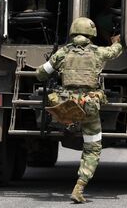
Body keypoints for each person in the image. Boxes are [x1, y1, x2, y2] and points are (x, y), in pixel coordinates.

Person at [36, 17, 122, 203]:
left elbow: (41, 73)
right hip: (89, 107)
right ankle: (80, 186)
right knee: (92, 148)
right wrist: (117, 41)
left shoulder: (62, 53)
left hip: (67, 108)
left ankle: (69, 129)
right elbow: (115, 52)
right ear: (91, 34)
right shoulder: (98, 52)